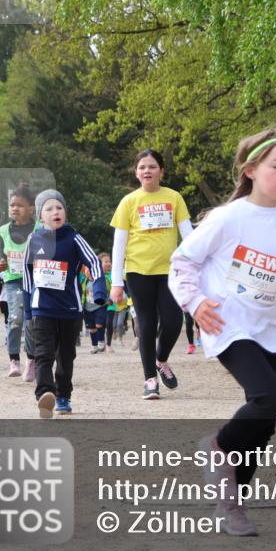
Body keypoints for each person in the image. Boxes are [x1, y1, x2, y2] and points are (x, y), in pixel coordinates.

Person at [168, 126, 276, 536]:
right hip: (226, 324)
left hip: (267, 329)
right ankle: (217, 446)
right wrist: (195, 302)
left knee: (264, 422)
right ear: (251, 170)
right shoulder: (228, 218)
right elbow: (182, 262)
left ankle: (230, 504)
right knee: (270, 399)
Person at [110, 149, 193, 399]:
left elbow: (188, 235)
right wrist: (116, 282)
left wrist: (196, 266)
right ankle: (150, 380)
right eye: (142, 167)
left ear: (161, 171)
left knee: (173, 322)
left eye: (152, 166)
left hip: (170, 271)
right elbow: (118, 245)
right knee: (146, 325)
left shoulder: (174, 197)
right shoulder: (128, 202)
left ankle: (161, 359)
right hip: (138, 271)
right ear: (136, 173)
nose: (147, 171)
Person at [23, 189, 106, 418]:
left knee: (66, 356)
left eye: (59, 208)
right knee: (43, 354)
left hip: (70, 309)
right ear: (40, 217)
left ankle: (63, 396)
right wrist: (28, 310)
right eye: (49, 209)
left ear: (65, 213)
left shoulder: (74, 238)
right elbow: (27, 276)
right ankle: (45, 394)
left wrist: (99, 291)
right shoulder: (33, 239)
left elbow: (94, 262)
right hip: (42, 308)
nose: (55, 212)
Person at [0, 184, 40, 380]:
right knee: (15, 319)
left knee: (31, 322)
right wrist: (0, 264)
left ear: (31, 208)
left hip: (35, 280)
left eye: (20, 205)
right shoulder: (3, 230)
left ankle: (31, 360)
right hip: (13, 280)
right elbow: (0, 256)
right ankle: (14, 360)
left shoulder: (40, 229)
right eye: (12, 205)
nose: (15, 208)